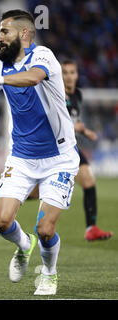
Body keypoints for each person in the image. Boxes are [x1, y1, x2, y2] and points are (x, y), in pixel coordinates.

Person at [0, 10, 80, 295]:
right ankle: (24, 245)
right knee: (0, 221)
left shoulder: (43, 56)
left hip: (59, 157)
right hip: (22, 156)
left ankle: (49, 273)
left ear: (24, 34)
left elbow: (33, 79)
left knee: (46, 230)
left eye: (4, 32)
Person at [25, 61, 113, 241]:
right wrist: (79, 128)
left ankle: (91, 228)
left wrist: (82, 130)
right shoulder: (54, 93)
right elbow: (53, 123)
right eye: (65, 73)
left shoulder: (77, 95)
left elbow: (70, 123)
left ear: (77, 75)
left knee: (88, 180)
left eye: (72, 72)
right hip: (53, 148)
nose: (68, 76)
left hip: (69, 147)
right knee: (36, 192)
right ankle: (4, 195)